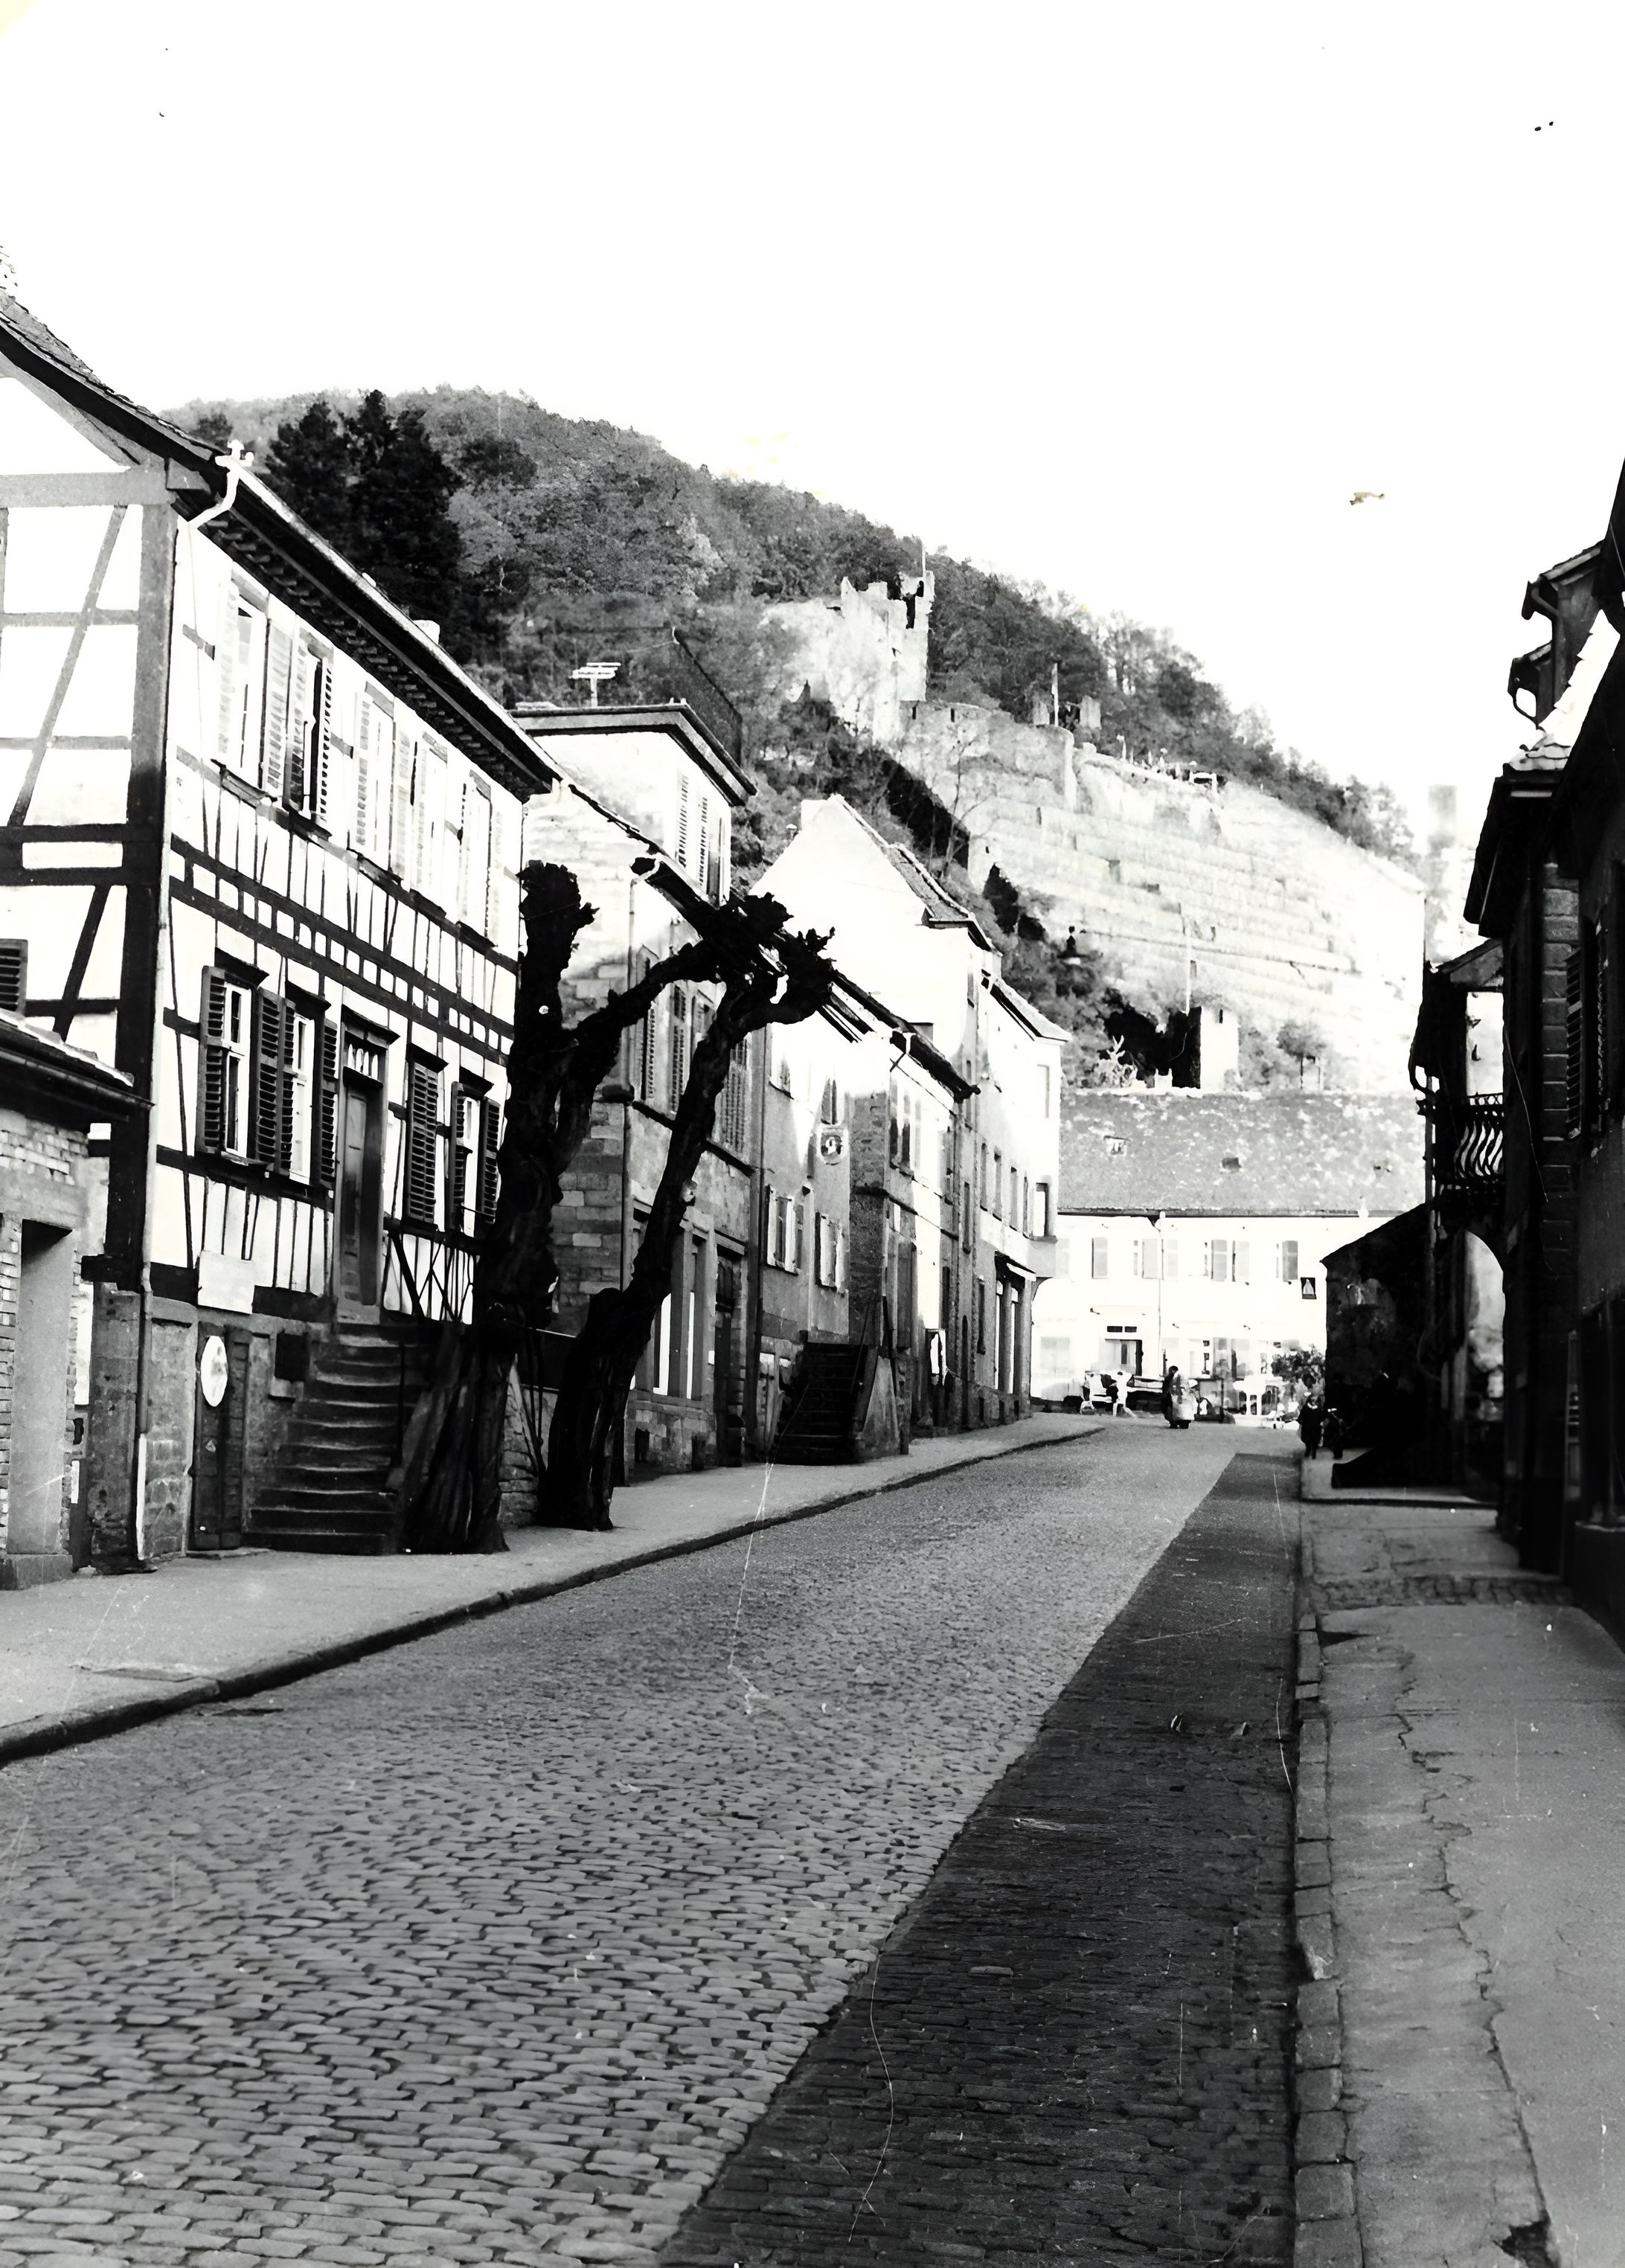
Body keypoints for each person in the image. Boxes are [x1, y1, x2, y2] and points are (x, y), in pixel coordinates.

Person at [1299, 1394, 1325, 1461]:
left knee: (1315, 1440)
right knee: (1307, 1439)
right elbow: (1301, 1415)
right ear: (1310, 1398)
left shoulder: (1319, 1408)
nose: (1313, 1398)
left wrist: (1321, 1422)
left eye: (1315, 1397)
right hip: (1307, 1426)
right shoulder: (1306, 1407)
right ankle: (1308, 1450)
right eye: (1312, 1397)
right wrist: (1301, 1420)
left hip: (1315, 1427)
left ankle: (1313, 1453)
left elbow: (1322, 1417)